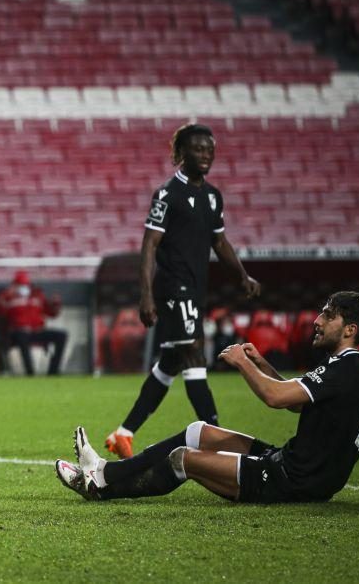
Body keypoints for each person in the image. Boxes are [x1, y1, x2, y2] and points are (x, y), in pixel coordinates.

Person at [57, 291, 359, 504]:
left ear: (349, 329)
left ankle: (101, 486)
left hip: (294, 480)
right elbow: (296, 402)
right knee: (199, 431)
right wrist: (262, 364)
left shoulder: (344, 368)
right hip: (301, 468)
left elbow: (275, 398)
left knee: (182, 459)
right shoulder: (352, 367)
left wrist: (239, 361)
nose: (317, 322)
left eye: (327, 316)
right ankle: (102, 472)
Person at [104, 123, 261, 459]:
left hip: (195, 287)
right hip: (174, 286)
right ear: (181, 154)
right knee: (194, 354)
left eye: (209, 149)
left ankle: (123, 433)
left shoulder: (212, 196)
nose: (205, 155)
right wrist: (146, 295)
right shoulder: (167, 195)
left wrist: (242, 275)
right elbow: (149, 245)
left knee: (172, 361)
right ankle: (220, 441)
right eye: (197, 149)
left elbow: (219, 241)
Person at [0, 271, 67, 375]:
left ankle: (53, 372)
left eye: (26, 284)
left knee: (62, 336)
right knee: (22, 335)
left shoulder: (37, 296)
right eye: (20, 284)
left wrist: (56, 304)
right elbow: (0, 312)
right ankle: (30, 372)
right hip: (17, 333)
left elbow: (51, 313)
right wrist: (6, 295)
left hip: (36, 331)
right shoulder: (9, 297)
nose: (24, 287)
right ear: (15, 285)